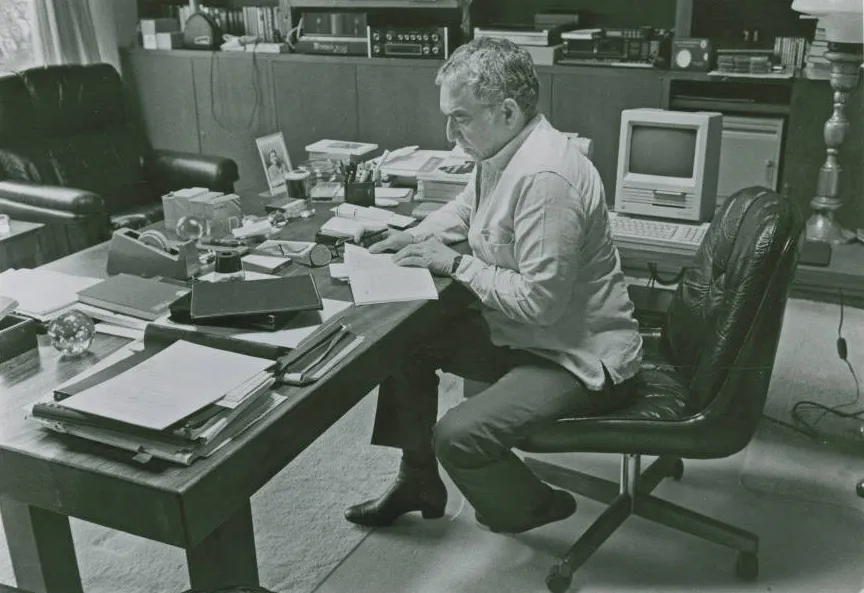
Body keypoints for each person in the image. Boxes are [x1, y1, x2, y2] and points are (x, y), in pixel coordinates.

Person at [344, 37, 643, 534]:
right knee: (403, 342)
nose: (448, 132)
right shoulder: (503, 148)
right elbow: (466, 209)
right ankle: (417, 479)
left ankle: (533, 505)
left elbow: (541, 304)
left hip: (577, 355)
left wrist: (455, 266)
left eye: (459, 117)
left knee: (457, 436)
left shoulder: (546, 177)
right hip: (525, 335)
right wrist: (408, 237)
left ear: (506, 110)